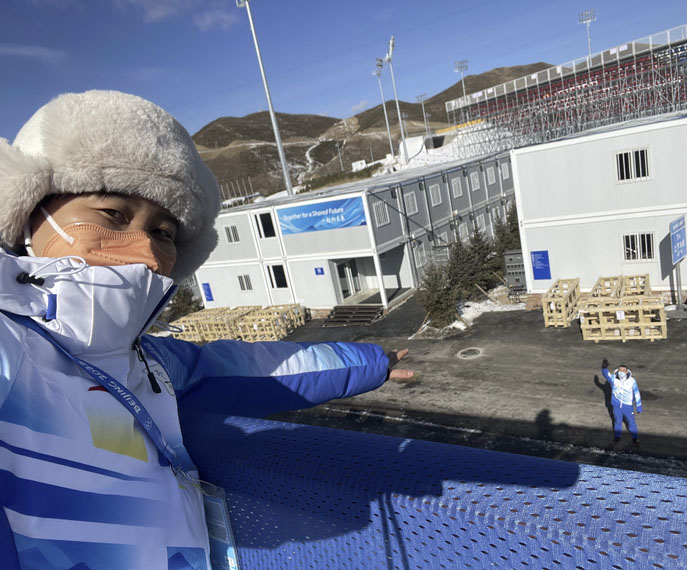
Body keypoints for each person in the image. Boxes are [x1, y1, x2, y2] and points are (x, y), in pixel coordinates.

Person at [0, 90, 411, 570]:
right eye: (112, 214)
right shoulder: (11, 347)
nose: (145, 251)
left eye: (164, 232)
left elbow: (243, 366)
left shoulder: (149, 362)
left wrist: (368, 362)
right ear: (29, 212)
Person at [600, 358, 643, 445]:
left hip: (628, 407)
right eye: (620, 371)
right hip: (616, 406)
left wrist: (639, 407)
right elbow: (606, 375)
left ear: (627, 372)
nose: (621, 372)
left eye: (623, 371)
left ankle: (635, 438)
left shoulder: (632, 381)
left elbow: (636, 393)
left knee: (631, 423)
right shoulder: (613, 379)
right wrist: (604, 368)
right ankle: (617, 436)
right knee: (617, 421)